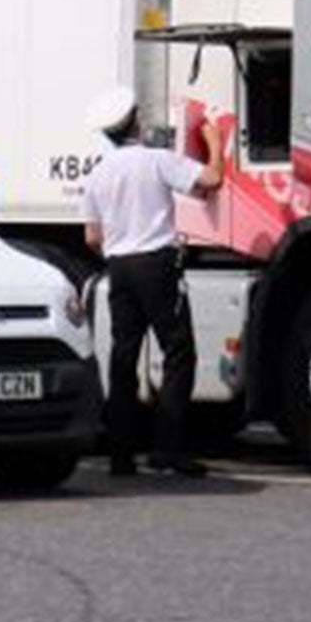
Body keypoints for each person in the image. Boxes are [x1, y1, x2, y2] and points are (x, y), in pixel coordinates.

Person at [81, 86, 226, 477]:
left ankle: (120, 455)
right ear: (135, 121)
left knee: (123, 358)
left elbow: (92, 238)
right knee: (178, 354)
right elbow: (211, 180)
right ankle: (168, 449)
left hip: (119, 267)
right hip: (157, 266)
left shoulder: (97, 175)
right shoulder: (157, 160)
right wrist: (214, 142)